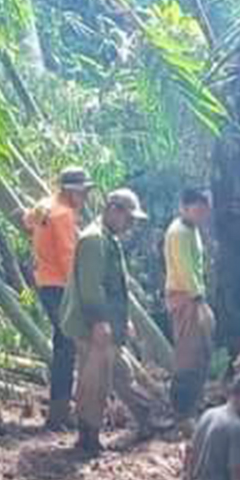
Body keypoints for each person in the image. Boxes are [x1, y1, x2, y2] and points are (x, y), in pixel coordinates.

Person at [61, 188, 157, 455]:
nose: (131, 225)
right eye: (129, 218)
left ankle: (146, 420)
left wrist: (121, 320)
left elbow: (114, 287)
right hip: (92, 326)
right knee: (95, 383)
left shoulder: (107, 239)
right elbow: (92, 288)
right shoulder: (94, 240)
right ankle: (88, 438)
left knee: (122, 373)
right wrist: (100, 322)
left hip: (105, 324)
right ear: (113, 210)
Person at [24, 166, 91, 430]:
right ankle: (59, 414)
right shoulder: (64, 215)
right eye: (83, 192)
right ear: (71, 191)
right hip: (60, 285)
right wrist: (81, 291)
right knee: (66, 348)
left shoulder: (44, 205)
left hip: (44, 281)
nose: (85, 198)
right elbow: (67, 257)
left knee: (63, 345)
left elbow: (27, 221)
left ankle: (59, 411)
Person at [165, 189, 215, 422]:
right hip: (186, 296)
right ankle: (181, 409)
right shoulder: (179, 232)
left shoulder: (191, 229)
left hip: (194, 295)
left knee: (199, 352)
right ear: (184, 207)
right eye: (198, 210)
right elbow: (185, 270)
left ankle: (192, 403)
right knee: (188, 353)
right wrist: (198, 298)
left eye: (205, 210)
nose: (202, 215)